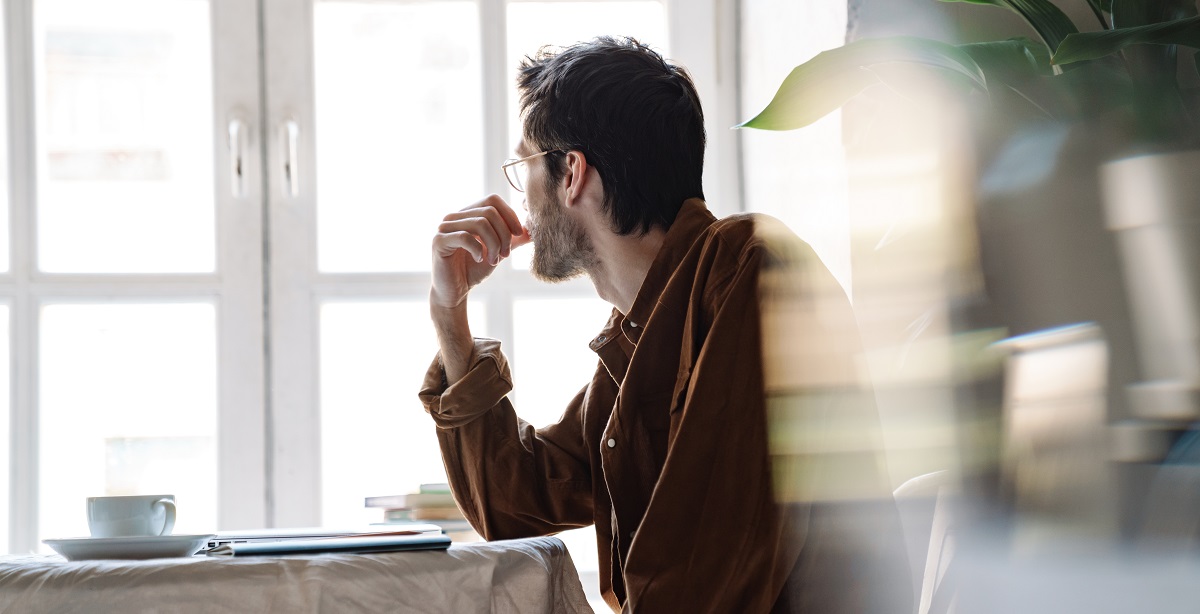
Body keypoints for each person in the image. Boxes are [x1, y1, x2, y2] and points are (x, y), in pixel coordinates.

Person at [419, 36, 910, 613]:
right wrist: (449, 315)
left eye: (524, 164)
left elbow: (698, 577)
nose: (520, 194)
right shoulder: (640, 334)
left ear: (572, 171)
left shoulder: (751, 269)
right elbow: (514, 501)